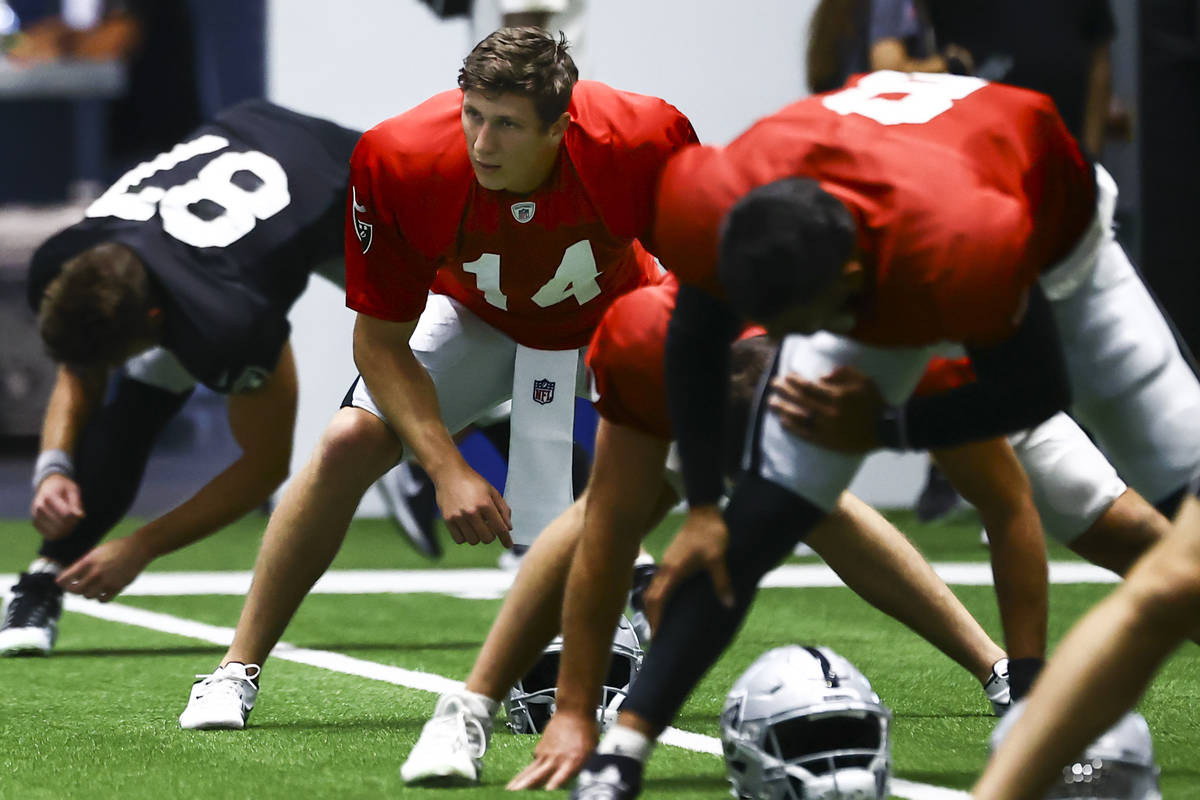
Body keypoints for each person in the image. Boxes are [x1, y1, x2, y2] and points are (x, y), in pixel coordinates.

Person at [569, 70, 1200, 798]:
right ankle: (623, 753)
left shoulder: (965, 248)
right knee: (757, 522)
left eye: (795, 325)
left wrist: (888, 427)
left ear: (848, 276)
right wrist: (706, 506)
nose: (778, 341)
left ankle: (1031, 694)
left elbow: (1036, 391)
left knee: (1182, 496)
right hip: (890, 227)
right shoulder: (723, 198)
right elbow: (697, 325)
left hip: (1057, 251)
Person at [176, 27, 697, 730]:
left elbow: (699, 282)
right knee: (345, 443)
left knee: (763, 457)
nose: (482, 142)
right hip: (479, 315)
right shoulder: (401, 158)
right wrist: (446, 465)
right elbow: (380, 341)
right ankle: (235, 668)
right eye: (473, 114)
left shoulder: (638, 137)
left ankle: (639, 565)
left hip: (618, 310)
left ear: (560, 127)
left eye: (508, 124)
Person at [399, 276, 1013, 786]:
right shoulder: (641, 345)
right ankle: (466, 709)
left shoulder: (873, 339)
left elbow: (1011, 509)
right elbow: (605, 535)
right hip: (638, 318)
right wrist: (576, 712)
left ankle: (999, 670)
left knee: (824, 507)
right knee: (602, 517)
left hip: (792, 323)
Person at [0, 99, 359, 657]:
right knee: (136, 407)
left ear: (154, 319)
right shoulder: (73, 261)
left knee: (439, 337)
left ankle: (434, 449)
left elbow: (264, 467)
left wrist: (142, 546)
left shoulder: (228, 319)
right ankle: (47, 573)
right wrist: (54, 467)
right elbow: (82, 366)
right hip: (241, 152)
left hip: (348, 181)